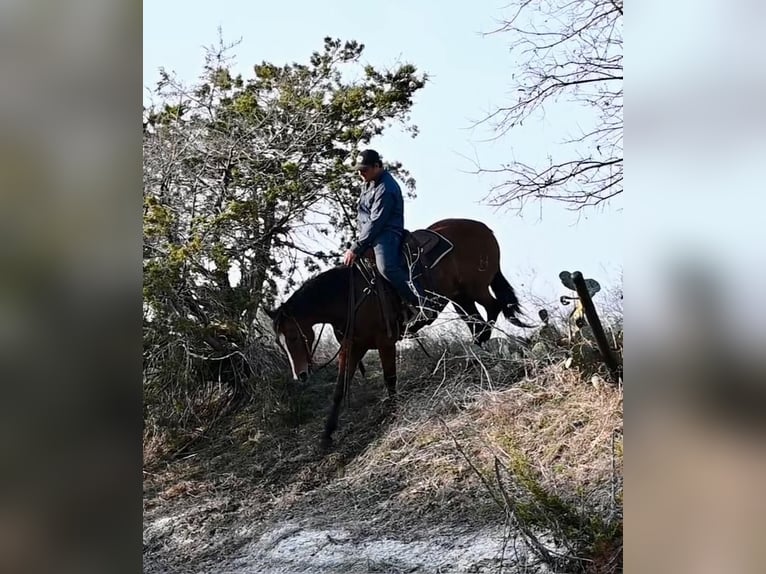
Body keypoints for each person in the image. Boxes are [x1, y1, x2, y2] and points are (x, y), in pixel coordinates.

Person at [343, 149, 431, 324]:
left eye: (364, 169)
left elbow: (376, 221)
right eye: (359, 170)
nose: (361, 173)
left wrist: (356, 246)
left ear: (377, 166)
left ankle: (421, 304)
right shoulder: (368, 182)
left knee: (386, 268)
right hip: (370, 233)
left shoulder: (386, 188)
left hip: (386, 234)